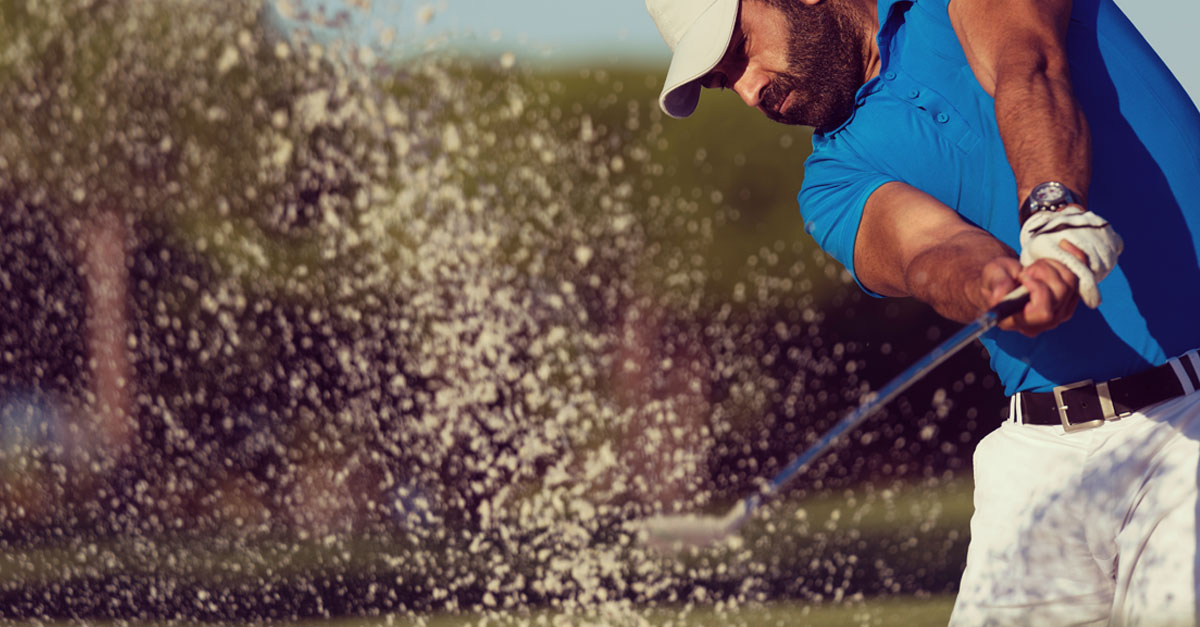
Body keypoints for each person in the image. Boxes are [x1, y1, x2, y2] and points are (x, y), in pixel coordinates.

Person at [645, 0, 1200, 623]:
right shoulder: (831, 182)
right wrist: (992, 285)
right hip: (1040, 456)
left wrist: (1053, 209)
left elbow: (1027, 62)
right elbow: (929, 252)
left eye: (739, 51)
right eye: (725, 82)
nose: (748, 92)